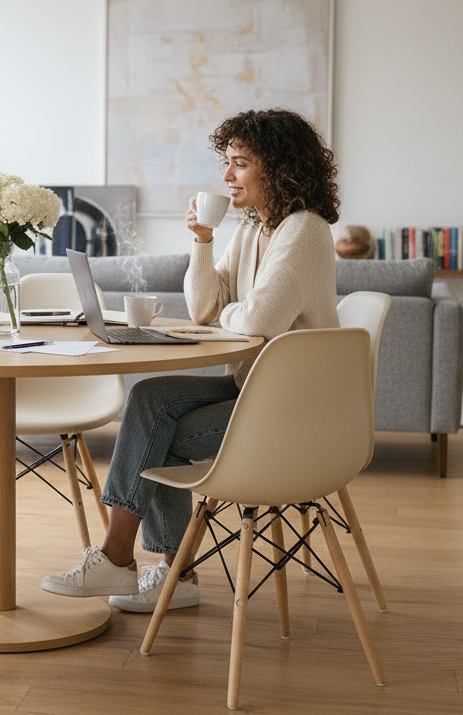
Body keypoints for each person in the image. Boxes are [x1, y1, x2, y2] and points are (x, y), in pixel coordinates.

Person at [41, 108, 341, 612]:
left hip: (296, 407)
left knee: (158, 436)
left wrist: (232, 312)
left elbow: (260, 320)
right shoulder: (251, 231)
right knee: (150, 398)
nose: (226, 176)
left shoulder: (304, 231)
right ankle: (152, 568)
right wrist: (202, 241)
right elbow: (204, 309)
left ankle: (158, 567)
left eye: (240, 164)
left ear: (279, 166)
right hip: (256, 387)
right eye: (227, 163)